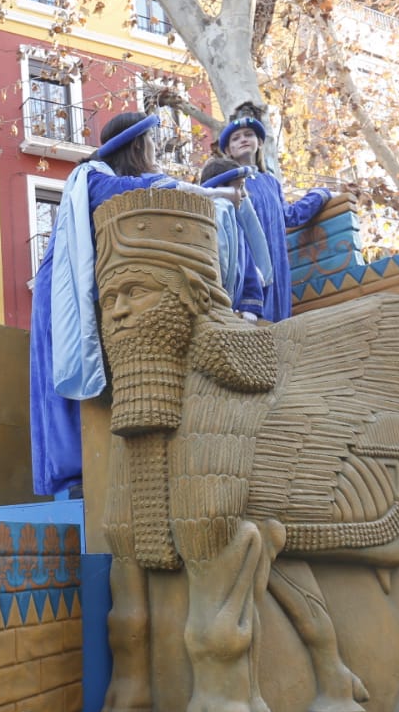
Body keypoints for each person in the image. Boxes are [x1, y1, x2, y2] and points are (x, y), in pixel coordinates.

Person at [29, 110, 240, 496]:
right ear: (138, 145)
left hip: (96, 287)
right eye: (151, 143)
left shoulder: (112, 179)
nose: (155, 150)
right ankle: (69, 478)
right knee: (63, 377)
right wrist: (209, 194)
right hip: (63, 289)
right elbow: (141, 192)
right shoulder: (91, 177)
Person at [217, 106, 332, 322]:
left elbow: (289, 216)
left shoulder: (271, 183)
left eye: (249, 135)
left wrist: (320, 194)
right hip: (248, 266)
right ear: (228, 150)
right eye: (236, 138)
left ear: (259, 142)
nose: (243, 140)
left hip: (278, 266)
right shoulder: (225, 182)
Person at [198, 155, 270, 320]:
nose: (245, 194)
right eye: (240, 187)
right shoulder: (207, 220)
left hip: (233, 312)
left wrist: (249, 308)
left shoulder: (237, 229)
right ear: (221, 188)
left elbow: (249, 271)